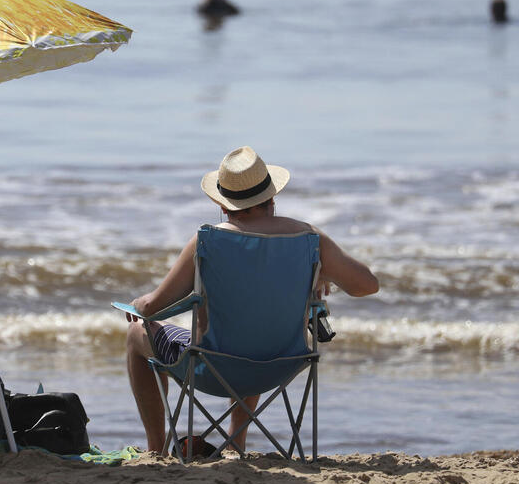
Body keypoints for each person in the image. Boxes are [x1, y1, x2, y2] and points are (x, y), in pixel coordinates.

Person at [125, 146, 379, 454]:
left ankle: (155, 449)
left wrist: (139, 306)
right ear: (271, 199)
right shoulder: (309, 240)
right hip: (280, 365)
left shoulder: (208, 240)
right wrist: (321, 270)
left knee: (137, 333)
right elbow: (367, 285)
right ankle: (237, 442)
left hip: (212, 367)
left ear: (223, 205)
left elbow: (155, 308)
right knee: (257, 326)